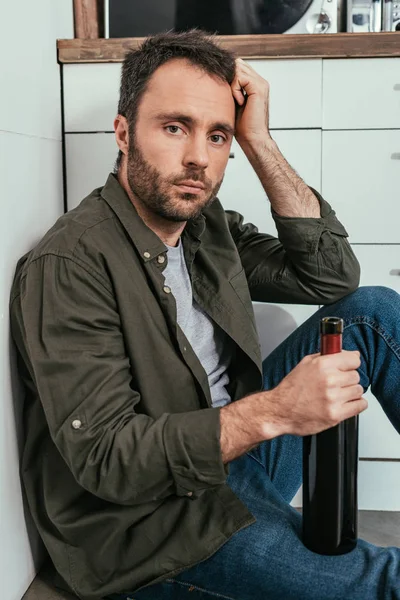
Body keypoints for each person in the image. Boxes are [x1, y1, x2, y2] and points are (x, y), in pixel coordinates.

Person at [9, 29, 399, 600]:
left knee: (370, 314)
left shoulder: (205, 225)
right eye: (174, 127)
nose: (198, 157)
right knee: (385, 582)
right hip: (154, 528)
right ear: (123, 133)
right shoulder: (69, 264)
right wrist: (275, 411)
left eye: (217, 136)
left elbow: (332, 276)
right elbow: (107, 458)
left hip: (237, 458)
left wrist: (259, 140)